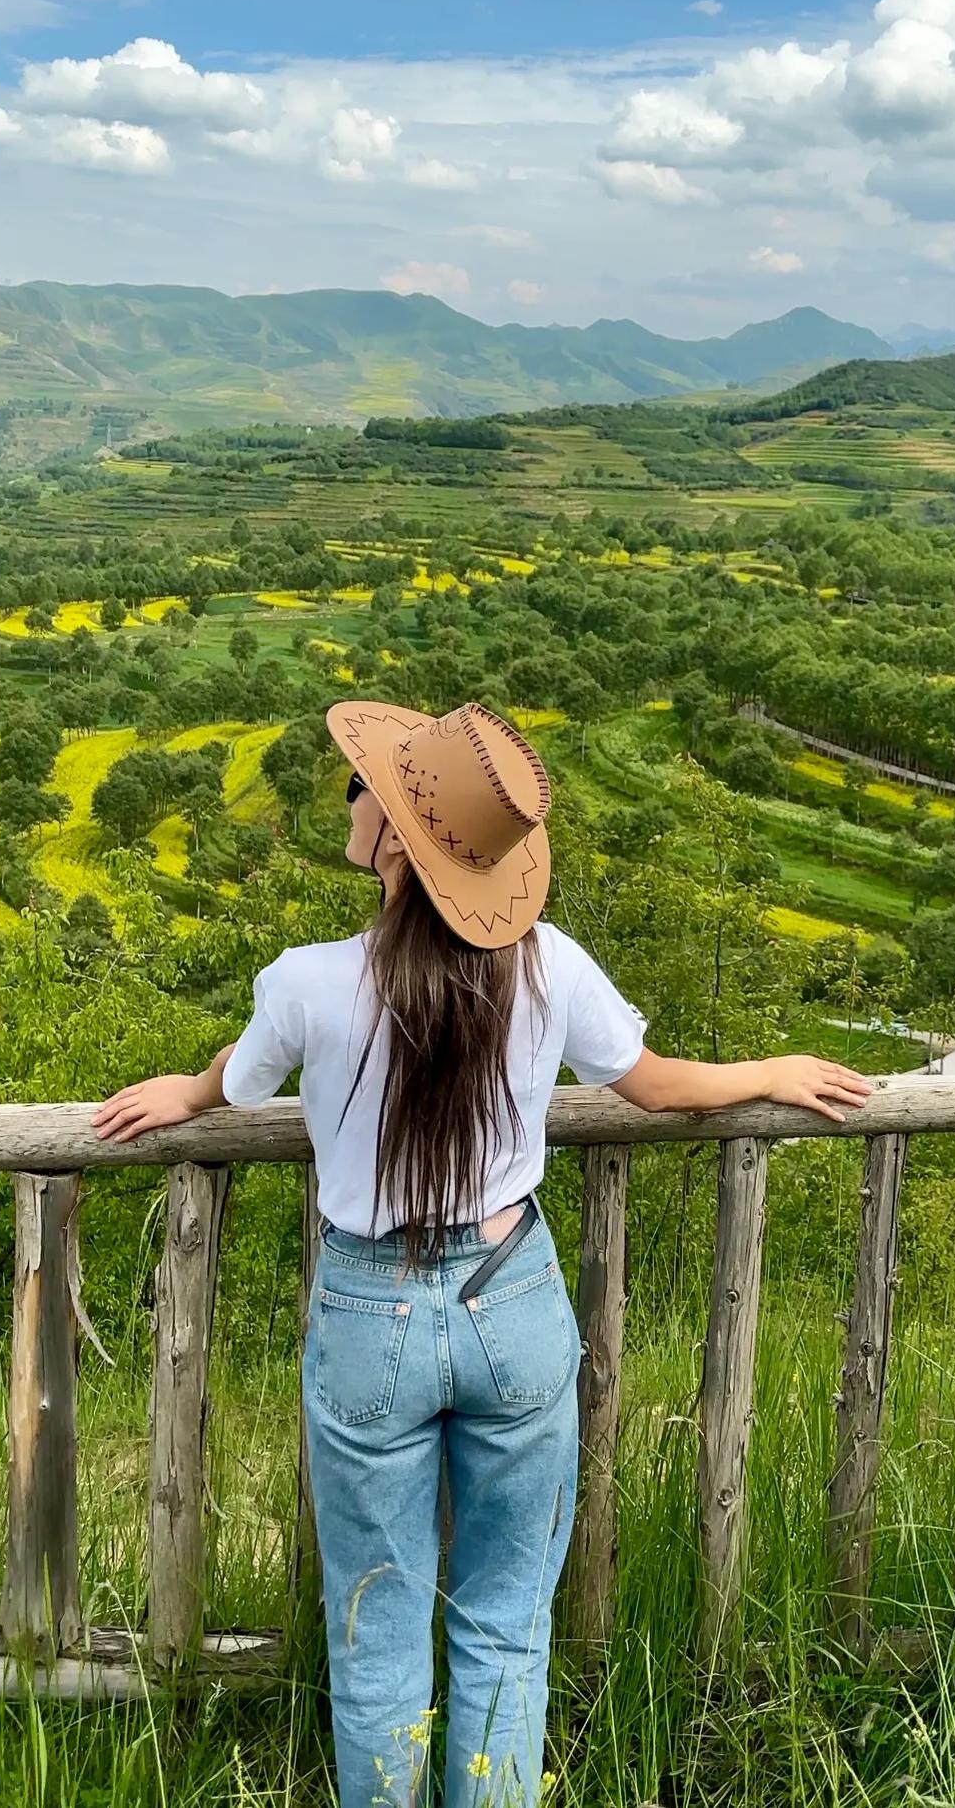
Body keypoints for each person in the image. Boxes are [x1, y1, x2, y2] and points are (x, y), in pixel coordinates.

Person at [93, 699, 872, 1808]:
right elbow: (650, 1082)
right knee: (505, 1622)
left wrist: (188, 1088)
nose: (351, 797)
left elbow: (246, 1074)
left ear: (396, 842)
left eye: (363, 787)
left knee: (377, 1629)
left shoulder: (305, 980)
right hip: (512, 1300)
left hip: (369, 1314)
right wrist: (769, 1068)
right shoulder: (546, 966)